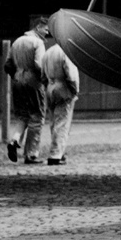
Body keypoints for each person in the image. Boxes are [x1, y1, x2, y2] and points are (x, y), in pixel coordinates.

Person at [3, 16, 50, 164]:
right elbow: (38, 65)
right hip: (33, 83)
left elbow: (7, 65)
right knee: (37, 117)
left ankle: (14, 140)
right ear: (37, 27)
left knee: (22, 116)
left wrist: (16, 77)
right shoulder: (38, 43)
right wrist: (45, 81)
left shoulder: (17, 41)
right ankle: (31, 155)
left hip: (17, 81)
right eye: (45, 29)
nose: (47, 32)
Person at [39, 36, 80, 165]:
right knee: (62, 123)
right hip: (63, 88)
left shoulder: (48, 52)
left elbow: (42, 75)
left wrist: (47, 86)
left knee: (53, 122)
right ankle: (56, 154)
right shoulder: (67, 53)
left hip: (50, 88)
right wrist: (75, 91)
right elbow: (71, 74)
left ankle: (58, 151)